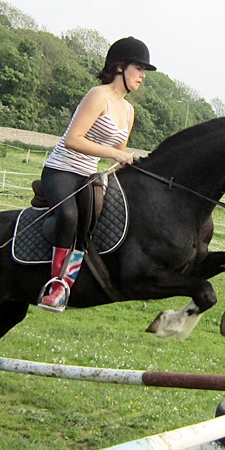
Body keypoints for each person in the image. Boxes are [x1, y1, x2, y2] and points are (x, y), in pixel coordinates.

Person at [37, 36, 156, 311]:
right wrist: (114, 153)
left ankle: (71, 281)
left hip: (89, 176)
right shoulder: (98, 96)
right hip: (62, 169)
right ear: (119, 67)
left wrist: (133, 163)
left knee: (90, 224)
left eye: (144, 71)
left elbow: (118, 156)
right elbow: (73, 140)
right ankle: (54, 286)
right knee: (69, 216)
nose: (142, 76)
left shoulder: (129, 111)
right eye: (138, 68)